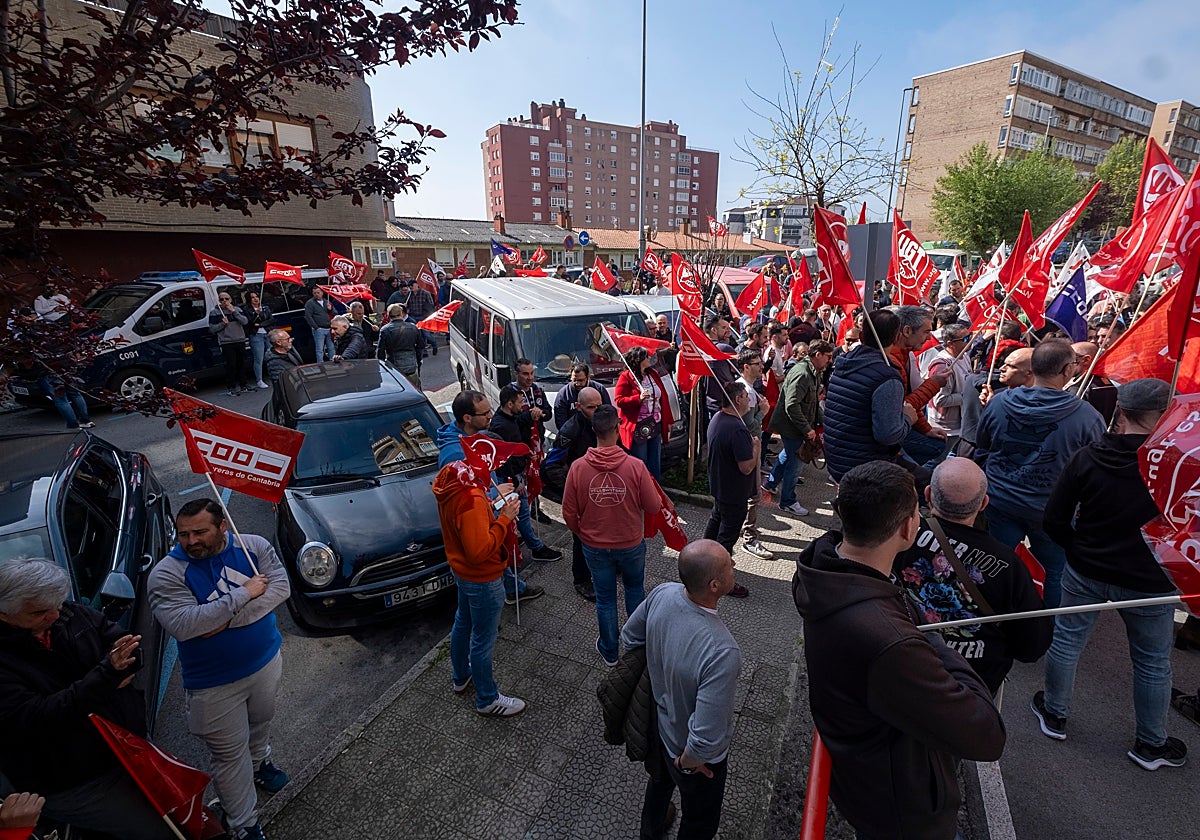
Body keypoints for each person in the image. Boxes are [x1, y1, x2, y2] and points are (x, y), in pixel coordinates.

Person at [793, 461, 1006, 840]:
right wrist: (929, 636)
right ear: (909, 527)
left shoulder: (821, 569)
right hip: (902, 810)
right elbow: (987, 736)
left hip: (863, 778)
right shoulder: (894, 643)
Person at [1036, 378, 1187, 769]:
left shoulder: (1088, 457)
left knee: (1067, 642)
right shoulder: (1179, 466)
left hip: (1087, 568)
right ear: (1166, 414)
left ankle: (1054, 714)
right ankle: (1150, 744)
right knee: (1153, 662)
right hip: (1150, 581)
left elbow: (1053, 519)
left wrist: (1077, 548)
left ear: (1120, 410)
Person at [0, 558, 176, 840]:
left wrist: (125, 660)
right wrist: (107, 675)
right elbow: (43, 718)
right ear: (4, 615)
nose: (55, 616)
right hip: (77, 779)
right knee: (163, 831)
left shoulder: (68, 613)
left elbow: (123, 644)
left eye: (57, 604)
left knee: (180, 812)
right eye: (39, 613)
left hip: (126, 746)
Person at [148, 499, 291, 840]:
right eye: (183, 534)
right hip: (212, 685)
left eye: (200, 532)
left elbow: (281, 588)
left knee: (261, 723)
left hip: (266, 661)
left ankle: (259, 764)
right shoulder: (166, 574)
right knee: (229, 756)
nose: (191, 541)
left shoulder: (252, 545)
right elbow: (185, 625)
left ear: (222, 526)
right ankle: (243, 823)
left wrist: (221, 620)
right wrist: (244, 595)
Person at [893, 458, 1052, 696]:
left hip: (900, 666)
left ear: (927, 494)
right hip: (967, 690)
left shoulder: (899, 536)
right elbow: (1032, 647)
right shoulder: (1009, 565)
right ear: (983, 504)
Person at [622, 540, 743, 840]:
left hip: (659, 729)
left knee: (659, 785)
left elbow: (630, 636)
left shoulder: (663, 592)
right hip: (689, 755)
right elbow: (705, 736)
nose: (735, 567)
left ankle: (649, 832)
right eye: (730, 564)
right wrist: (688, 764)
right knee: (699, 822)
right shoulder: (721, 651)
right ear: (715, 585)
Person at [974, 339, 1105, 608]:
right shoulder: (1087, 417)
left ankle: (988, 616)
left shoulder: (998, 403)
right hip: (1048, 509)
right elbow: (1094, 468)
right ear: (1068, 370)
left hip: (1005, 500)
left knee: (994, 565)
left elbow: (982, 446)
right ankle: (1046, 629)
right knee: (1054, 572)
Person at [562, 405, 663, 667]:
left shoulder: (577, 468)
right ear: (617, 429)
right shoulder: (636, 467)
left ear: (594, 430)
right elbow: (653, 507)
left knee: (605, 599)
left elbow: (569, 513)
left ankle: (609, 650)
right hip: (630, 542)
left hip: (594, 545)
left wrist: (582, 533)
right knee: (634, 590)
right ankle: (635, 646)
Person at [432, 445, 528, 717]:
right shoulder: (472, 498)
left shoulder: (454, 481)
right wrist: (505, 519)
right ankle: (487, 698)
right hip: (483, 577)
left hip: (461, 572)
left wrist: (495, 504)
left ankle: (461, 675)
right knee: (483, 639)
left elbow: (471, 525)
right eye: (494, 464)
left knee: (463, 622)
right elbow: (479, 550)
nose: (495, 472)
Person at [436, 390, 543, 604]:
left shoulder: (473, 439)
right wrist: (496, 500)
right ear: (467, 418)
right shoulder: (456, 455)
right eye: (485, 413)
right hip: (481, 548)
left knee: (465, 619)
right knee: (484, 632)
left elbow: (485, 475)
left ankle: (514, 588)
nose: (491, 416)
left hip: (489, 520)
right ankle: (512, 591)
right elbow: (469, 502)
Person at [822, 309, 917, 484]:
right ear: (896, 338)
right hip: (865, 471)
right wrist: (908, 419)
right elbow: (888, 435)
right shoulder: (887, 377)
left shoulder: (844, 363)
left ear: (862, 335)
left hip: (838, 462)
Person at [489, 385, 563, 562]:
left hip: (517, 474)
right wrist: (515, 482)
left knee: (521, 512)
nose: (523, 406)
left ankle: (529, 542)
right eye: (520, 403)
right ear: (509, 404)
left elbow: (519, 428)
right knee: (522, 512)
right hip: (510, 478)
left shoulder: (510, 417)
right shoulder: (501, 426)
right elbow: (503, 459)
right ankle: (536, 548)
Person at [544, 387, 603, 601]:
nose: (596, 411)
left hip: (600, 491)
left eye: (599, 406)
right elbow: (551, 466)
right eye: (591, 407)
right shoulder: (570, 429)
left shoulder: (601, 422)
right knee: (580, 539)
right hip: (581, 495)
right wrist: (573, 489)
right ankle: (581, 580)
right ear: (578, 407)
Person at [764, 339, 832, 516]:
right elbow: (792, 405)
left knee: (787, 455)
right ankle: (787, 501)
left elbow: (813, 402)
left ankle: (770, 484)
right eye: (828, 357)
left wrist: (822, 421)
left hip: (797, 427)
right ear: (818, 355)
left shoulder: (813, 372)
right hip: (793, 427)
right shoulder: (802, 373)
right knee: (796, 465)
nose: (830, 361)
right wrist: (807, 429)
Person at [705, 380, 757, 599]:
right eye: (746, 395)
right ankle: (718, 577)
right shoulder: (737, 429)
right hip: (734, 492)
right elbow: (746, 467)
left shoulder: (718, 419)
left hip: (719, 486)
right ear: (737, 400)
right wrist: (756, 448)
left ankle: (702, 560)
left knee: (716, 523)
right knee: (727, 536)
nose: (749, 399)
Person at [891, 306, 951, 467]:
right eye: (925, 332)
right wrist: (934, 384)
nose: (929, 338)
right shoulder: (891, 362)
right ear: (907, 331)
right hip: (887, 439)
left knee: (937, 445)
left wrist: (926, 429)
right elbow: (904, 405)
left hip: (897, 429)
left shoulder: (904, 355)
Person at [733, 349, 774, 560]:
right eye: (757, 363)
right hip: (750, 446)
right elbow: (748, 425)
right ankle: (749, 538)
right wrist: (763, 412)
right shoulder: (746, 392)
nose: (762, 366)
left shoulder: (747, 387)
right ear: (746, 367)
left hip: (751, 446)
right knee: (754, 494)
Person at [614, 346, 673, 483]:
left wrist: (667, 421)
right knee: (641, 461)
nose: (649, 359)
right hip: (639, 426)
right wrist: (637, 399)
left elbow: (663, 397)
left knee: (654, 461)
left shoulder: (652, 374)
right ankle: (641, 491)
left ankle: (656, 492)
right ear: (639, 360)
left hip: (655, 423)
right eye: (646, 357)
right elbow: (619, 400)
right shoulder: (626, 377)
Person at [925, 323, 972, 457]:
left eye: (969, 336)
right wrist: (969, 395)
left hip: (960, 422)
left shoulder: (964, 355)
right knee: (936, 461)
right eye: (964, 339)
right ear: (950, 343)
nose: (969, 341)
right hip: (946, 426)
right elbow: (940, 400)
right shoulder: (942, 365)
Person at [209, 290, 251, 395]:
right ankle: (231, 387)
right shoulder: (214, 312)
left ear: (231, 300)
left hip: (239, 340)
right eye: (221, 299)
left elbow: (245, 321)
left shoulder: (237, 309)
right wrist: (222, 324)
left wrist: (233, 312)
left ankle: (243, 385)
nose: (224, 301)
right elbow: (212, 329)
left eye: (226, 299)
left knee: (241, 363)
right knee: (230, 365)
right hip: (227, 342)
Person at [376, 302, 425, 388]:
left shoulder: (385, 330)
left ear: (388, 315)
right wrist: (417, 360)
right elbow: (421, 345)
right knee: (415, 390)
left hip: (394, 368)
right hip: (411, 366)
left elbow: (380, 351)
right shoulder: (413, 327)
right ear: (402, 314)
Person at [552, 362, 611, 429]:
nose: (577, 384)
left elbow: (608, 414)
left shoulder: (599, 389)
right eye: (574, 380)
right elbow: (561, 424)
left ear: (588, 377)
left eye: (581, 380)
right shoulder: (563, 395)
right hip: (573, 434)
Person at [241, 291, 274, 390]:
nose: (255, 299)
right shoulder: (246, 310)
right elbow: (250, 323)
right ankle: (259, 380)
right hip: (256, 335)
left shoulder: (265, 307)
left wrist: (260, 324)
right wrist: (256, 314)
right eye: (252, 297)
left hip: (267, 333)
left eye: (257, 297)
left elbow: (271, 319)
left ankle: (273, 375)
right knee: (259, 358)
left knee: (271, 355)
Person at [514, 358, 551, 444]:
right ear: (516, 374)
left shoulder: (538, 390)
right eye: (525, 374)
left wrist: (540, 413)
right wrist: (530, 416)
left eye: (532, 373)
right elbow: (510, 419)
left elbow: (548, 413)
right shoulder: (510, 392)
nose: (530, 378)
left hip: (538, 441)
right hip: (520, 443)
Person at [264, 328, 302, 410]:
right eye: (287, 339)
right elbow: (280, 383)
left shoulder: (289, 349)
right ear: (278, 342)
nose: (291, 340)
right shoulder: (273, 362)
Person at [403, 279, 437, 355]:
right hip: (413, 316)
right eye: (409, 286)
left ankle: (434, 344)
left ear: (416, 285)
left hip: (423, 316)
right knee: (419, 335)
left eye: (412, 285)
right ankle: (424, 351)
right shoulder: (409, 295)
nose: (411, 287)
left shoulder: (425, 293)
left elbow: (431, 305)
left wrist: (428, 316)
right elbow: (407, 306)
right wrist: (405, 306)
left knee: (426, 334)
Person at [304, 286, 335, 363]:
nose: (316, 294)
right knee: (319, 349)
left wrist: (330, 309)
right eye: (314, 293)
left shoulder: (326, 302)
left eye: (318, 292)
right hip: (319, 329)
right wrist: (316, 327)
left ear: (322, 292)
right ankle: (320, 364)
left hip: (329, 328)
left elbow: (335, 313)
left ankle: (333, 361)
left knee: (331, 347)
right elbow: (308, 316)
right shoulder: (310, 303)